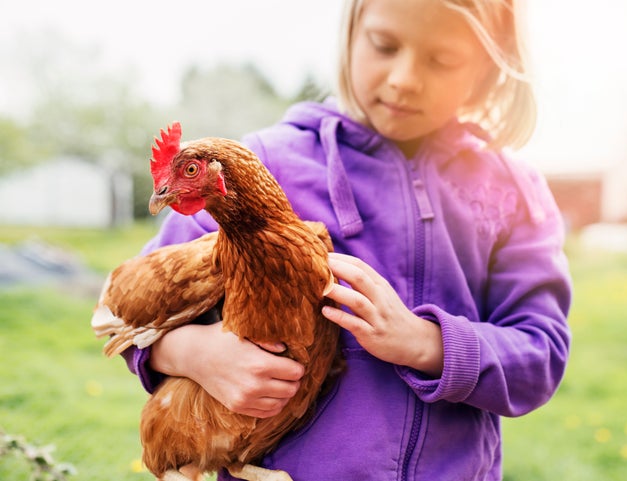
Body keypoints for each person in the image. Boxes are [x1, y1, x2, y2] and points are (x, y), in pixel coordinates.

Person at [124, 0, 572, 479]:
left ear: (489, 65)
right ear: (352, 33)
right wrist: (195, 353)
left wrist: (425, 344)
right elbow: (139, 317)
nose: (404, 77)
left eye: (442, 60)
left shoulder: (511, 191)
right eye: (384, 45)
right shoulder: (259, 164)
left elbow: (540, 354)